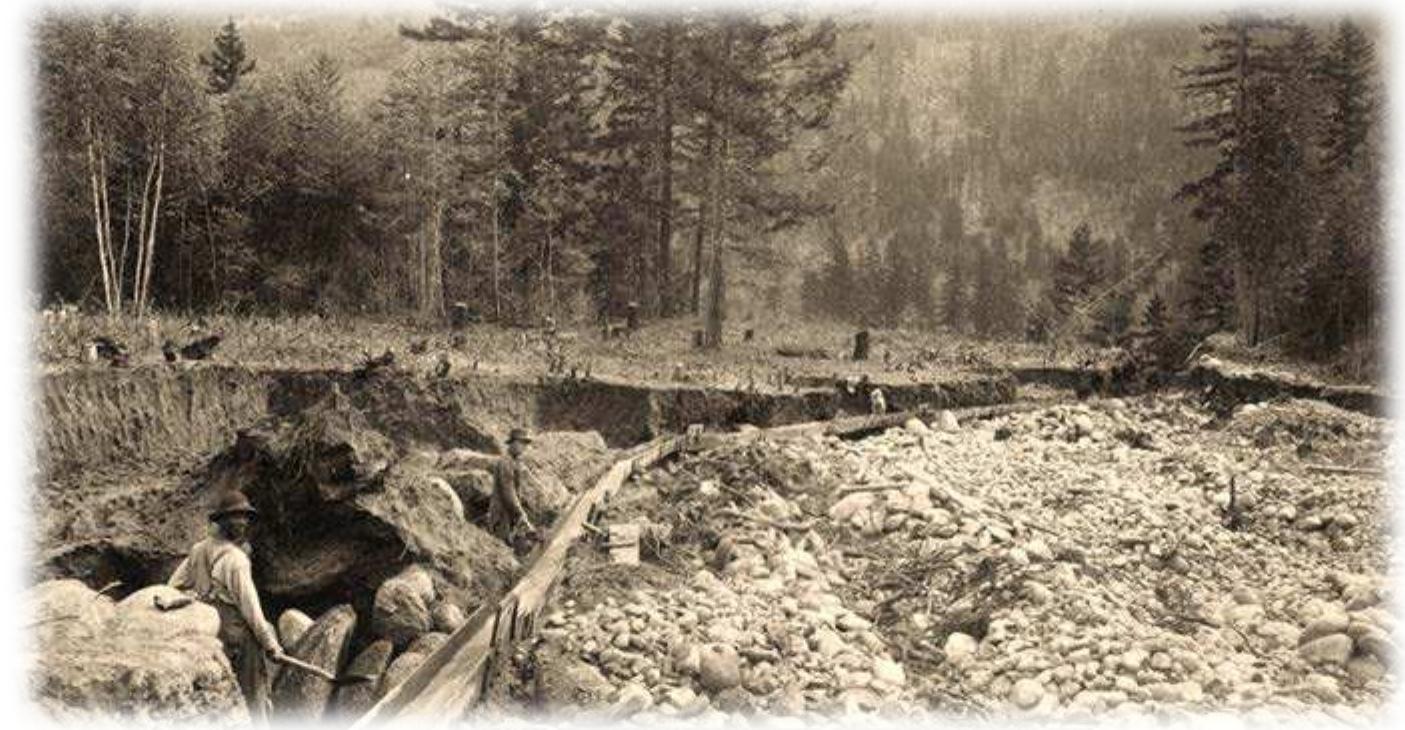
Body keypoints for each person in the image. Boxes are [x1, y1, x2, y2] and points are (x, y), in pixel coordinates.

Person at [168, 490, 287, 723]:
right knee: (254, 702)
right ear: (221, 520)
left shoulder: (198, 550)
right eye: (235, 516)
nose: (242, 522)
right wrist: (271, 645)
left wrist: (197, 598)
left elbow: (173, 586)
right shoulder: (236, 560)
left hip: (210, 636)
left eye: (245, 517)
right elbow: (251, 610)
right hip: (239, 640)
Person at [489, 428, 538, 546]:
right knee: (502, 548)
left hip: (508, 514)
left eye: (525, 444)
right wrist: (520, 514)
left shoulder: (514, 462)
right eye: (522, 443)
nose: (524, 447)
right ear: (513, 443)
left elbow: (516, 491)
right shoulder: (505, 463)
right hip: (502, 515)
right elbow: (508, 493)